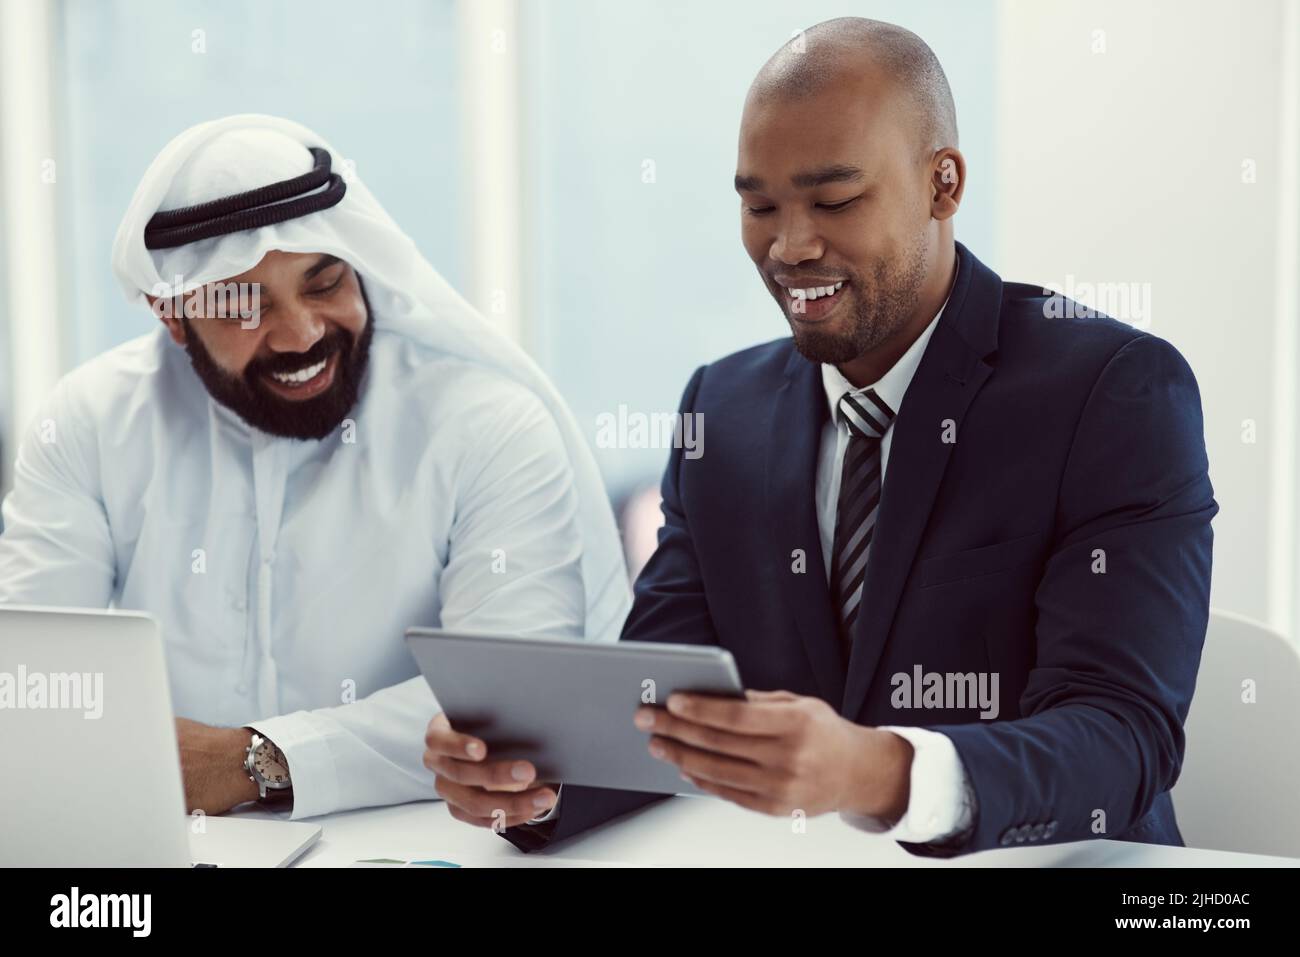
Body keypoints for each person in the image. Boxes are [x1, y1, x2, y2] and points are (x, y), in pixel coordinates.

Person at [426, 17, 1216, 856]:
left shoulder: (1114, 392)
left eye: (834, 201)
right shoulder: (722, 409)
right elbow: (665, 712)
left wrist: (880, 771)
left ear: (943, 184)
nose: (789, 246)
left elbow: (1124, 734)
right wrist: (532, 779)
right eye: (759, 205)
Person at [0, 115, 630, 823]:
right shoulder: (89, 423)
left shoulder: (484, 423)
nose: (300, 332)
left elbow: (515, 697)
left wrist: (251, 761)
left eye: (325, 283)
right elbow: (30, 683)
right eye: (246, 304)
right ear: (171, 315)